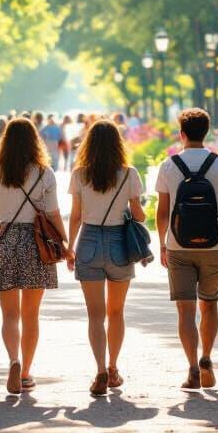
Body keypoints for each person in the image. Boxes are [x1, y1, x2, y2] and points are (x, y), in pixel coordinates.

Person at [154, 107, 218, 391]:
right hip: (214, 245)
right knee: (210, 304)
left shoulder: (169, 166)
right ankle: (206, 358)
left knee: (185, 310)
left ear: (182, 134)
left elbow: (162, 210)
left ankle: (192, 368)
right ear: (205, 133)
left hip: (179, 245)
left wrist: (163, 244)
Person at [0, 117, 68, 394]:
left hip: (6, 240)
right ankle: (27, 372)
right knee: (31, 314)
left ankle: (13, 360)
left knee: (9, 314)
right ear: (35, 141)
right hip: (36, 243)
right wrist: (65, 242)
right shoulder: (45, 173)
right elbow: (53, 213)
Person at [68, 119, 145, 396]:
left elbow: (76, 216)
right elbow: (138, 215)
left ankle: (99, 369)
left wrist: (70, 248)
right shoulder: (129, 173)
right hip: (118, 245)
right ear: (118, 144)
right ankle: (113, 368)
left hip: (88, 241)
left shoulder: (79, 175)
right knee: (116, 312)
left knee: (95, 315)